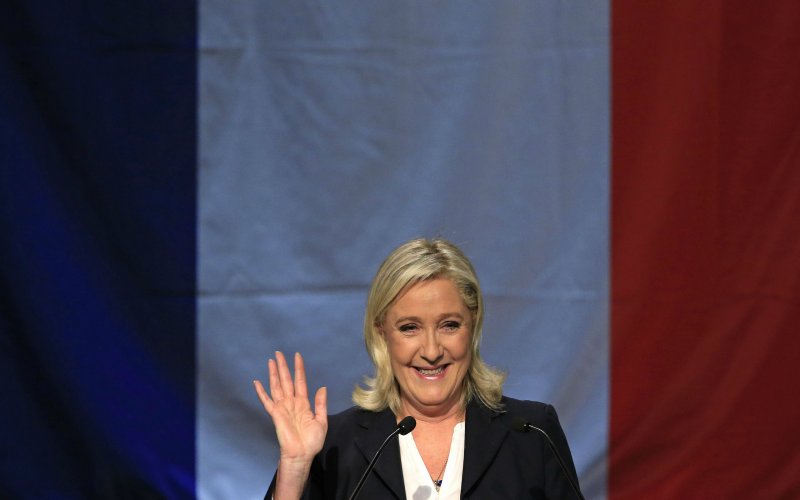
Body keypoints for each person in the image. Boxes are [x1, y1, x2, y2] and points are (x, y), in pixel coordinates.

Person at [254, 238, 582, 499]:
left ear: (473, 326)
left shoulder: (532, 433)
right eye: (410, 328)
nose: (431, 351)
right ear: (382, 333)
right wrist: (296, 468)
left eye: (449, 325)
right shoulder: (335, 444)